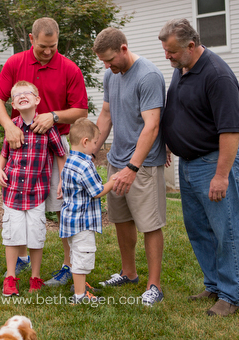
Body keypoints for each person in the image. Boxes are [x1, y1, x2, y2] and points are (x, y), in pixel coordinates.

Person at [0, 17, 88, 286]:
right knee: (21, 206)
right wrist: (8, 128)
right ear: (31, 40)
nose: (48, 52)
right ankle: (21, 258)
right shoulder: (15, 63)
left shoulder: (69, 68)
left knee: (62, 206)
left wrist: (54, 116)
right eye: (43, 46)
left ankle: (68, 265)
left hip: (56, 146)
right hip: (20, 143)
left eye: (53, 46)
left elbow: (80, 110)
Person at [159, 18, 239, 317]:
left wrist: (221, 176)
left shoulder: (217, 75)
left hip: (213, 163)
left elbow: (231, 131)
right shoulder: (181, 69)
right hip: (189, 163)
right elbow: (181, 110)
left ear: (191, 46)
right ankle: (214, 284)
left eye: (171, 51)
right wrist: (171, 140)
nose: (166, 57)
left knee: (227, 231)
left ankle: (231, 295)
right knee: (199, 230)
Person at [91, 27, 167, 306]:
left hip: (143, 165)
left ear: (124, 48)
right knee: (121, 220)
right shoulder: (111, 75)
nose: (107, 67)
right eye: (103, 62)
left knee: (149, 224)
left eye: (110, 60)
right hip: (117, 159)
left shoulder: (148, 76)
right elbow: (107, 114)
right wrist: (91, 151)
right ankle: (129, 272)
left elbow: (152, 125)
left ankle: (154, 285)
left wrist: (132, 168)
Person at [0, 81, 67, 296]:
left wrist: (62, 179)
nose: (22, 95)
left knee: (36, 236)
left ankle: (35, 277)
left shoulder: (46, 128)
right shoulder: (12, 125)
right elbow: (4, 154)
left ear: (37, 100)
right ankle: (10, 278)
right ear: (14, 104)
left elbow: (60, 154)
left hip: (37, 193)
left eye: (27, 93)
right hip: (12, 192)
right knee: (12, 236)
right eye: (17, 94)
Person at [59, 118, 114, 304]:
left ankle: (80, 285)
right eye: (95, 143)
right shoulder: (84, 164)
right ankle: (80, 296)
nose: (96, 147)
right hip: (82, 221)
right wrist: (112, 182)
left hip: (71, 220)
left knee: (76, 255)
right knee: (83, 255)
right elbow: (97, 192)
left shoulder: (70, 161)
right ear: (85, 142)